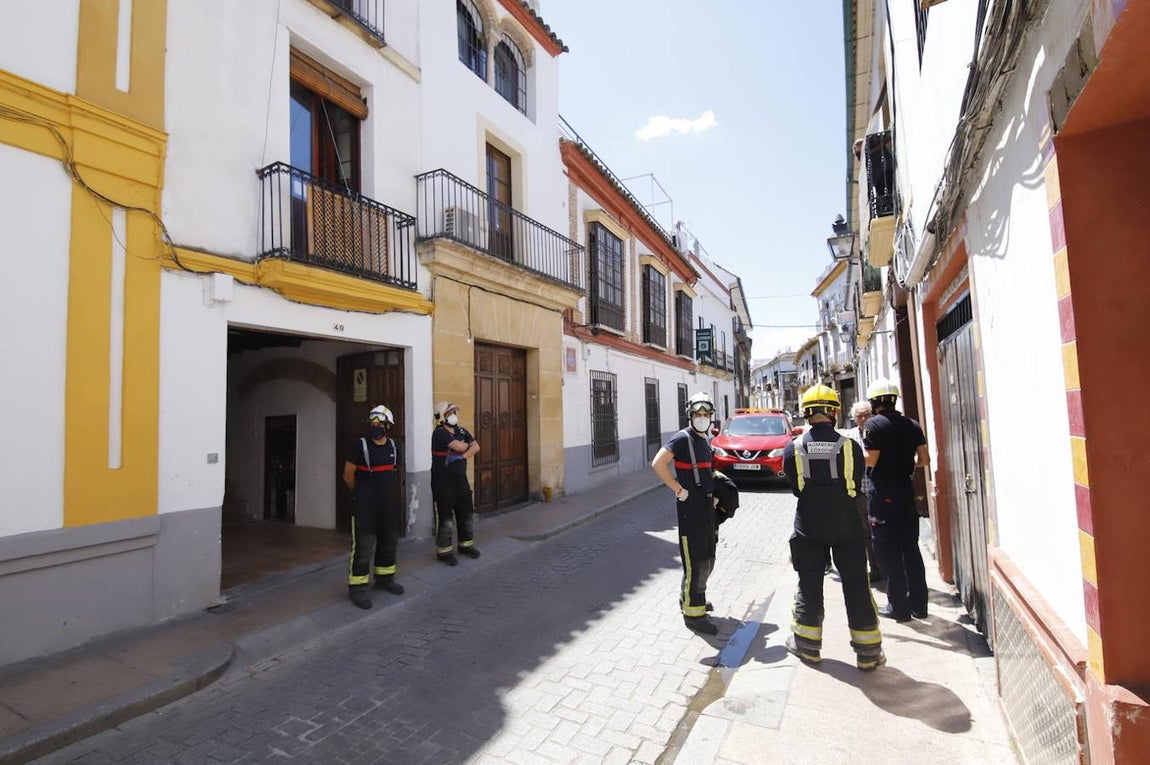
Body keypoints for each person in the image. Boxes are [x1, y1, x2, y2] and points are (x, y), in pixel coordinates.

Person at [782, 384, 884, 671]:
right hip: (846, 523)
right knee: (856, 583)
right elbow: (855, 483)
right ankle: (868, 651)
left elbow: (795, 486)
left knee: (809, 582)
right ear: (835, 412)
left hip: (809, 523)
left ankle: (807, 645)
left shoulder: (793, 448)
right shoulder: (850, 446)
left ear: (806, 414)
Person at [651, 392, 721, 636]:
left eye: (705, 415)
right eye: (697, 414)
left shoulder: (705, 439)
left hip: (706, 506)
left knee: (707, 557)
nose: (702, 418)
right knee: (696, 561)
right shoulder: (682, 438)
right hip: (690, 508)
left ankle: (693, 596)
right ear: (690, 416)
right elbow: (658, 464)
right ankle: (694, 615)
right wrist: (677, 489)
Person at [863, 379, 930, 622]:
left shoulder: (874, 425)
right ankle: (919, 605)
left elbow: (870, 460)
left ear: (875, 402)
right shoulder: (913, 425)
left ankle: (899, 607)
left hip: (882, 494)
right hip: (905, 491)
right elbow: (924, 460)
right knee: (910, 548)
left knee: (888, 551)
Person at [341, 405, 405, 610]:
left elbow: (395, 473)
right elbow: (348, 474)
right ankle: (358, 588)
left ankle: (385, 578)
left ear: (388, 425)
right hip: (365, 505)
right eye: (372, 423)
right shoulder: (360, 446)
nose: (375, 427)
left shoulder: (394, 446)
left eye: (379, 424)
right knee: (364, 545)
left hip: (387, 503)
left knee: (389, 540)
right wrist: (361, 493)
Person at [431, 401, 481, 566]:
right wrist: (465, 448)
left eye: (454, 412)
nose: (454, 415)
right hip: (443, 482)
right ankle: (444, 552)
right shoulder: (439, 433)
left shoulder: (460, 430)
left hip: (460, 479)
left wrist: (462, 456)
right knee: (445, 517)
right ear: (441, 417)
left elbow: (476, 447)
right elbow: (461, 446)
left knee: (466, 512)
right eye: (449, 413)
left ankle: (466, 545)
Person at [841, 401, 885, 583]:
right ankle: (875, 570)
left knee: (881, 533)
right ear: (854, 418)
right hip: (859, 493)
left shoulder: (880, 433)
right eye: (859, 416)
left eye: (867, 414)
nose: (864, 418)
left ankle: (886, 568)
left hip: (879, 490)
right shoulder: (848, 437)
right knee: (865, 535)